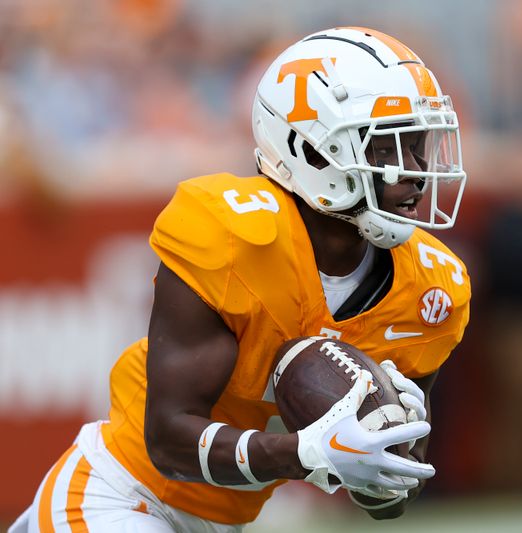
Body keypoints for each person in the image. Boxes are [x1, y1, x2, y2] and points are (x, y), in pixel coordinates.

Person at [12, 26, 470, 532]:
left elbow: (387, 502)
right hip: (122, 493)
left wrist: (389, 448)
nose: (415, 170)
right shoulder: (233, 236)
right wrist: (307, 453)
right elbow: (168, 440)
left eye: (417, 143)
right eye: (385, 147)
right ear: (312, 151)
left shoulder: (431, 288)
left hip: (223, 523)